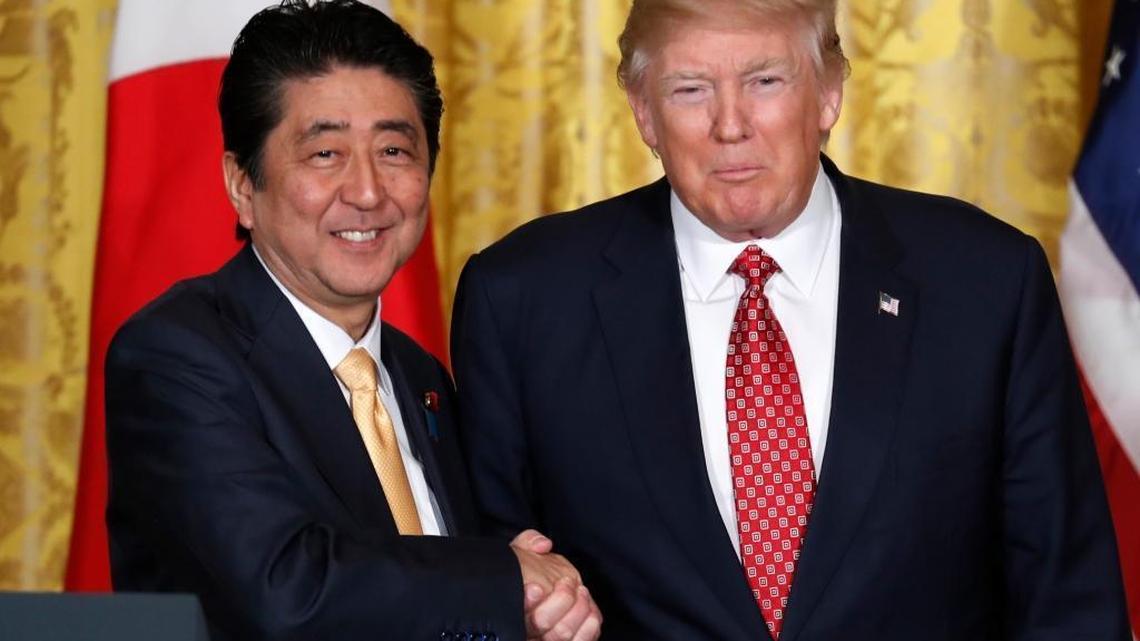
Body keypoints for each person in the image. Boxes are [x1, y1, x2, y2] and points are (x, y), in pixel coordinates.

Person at [450, 0, 1131, 639]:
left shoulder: (985, 281)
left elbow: (1069, 600)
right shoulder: (521, 298)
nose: (730, 123)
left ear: (829, 91)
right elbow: (493, 588)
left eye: (765, 80)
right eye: (690, 88)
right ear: (643, 111)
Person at [105, 2, 601, 640]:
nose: (367, 191)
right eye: (325, 154)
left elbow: (426, 584)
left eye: (394, 150)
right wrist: (499, 578)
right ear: (241, 185)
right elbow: (283, 590)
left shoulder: (418, 374)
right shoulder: (177, 355)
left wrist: (525, 599)